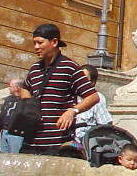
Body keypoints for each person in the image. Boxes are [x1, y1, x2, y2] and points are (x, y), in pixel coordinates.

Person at [20, 24, 100, 155]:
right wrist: (27, 106)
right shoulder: (34, 69)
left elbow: (93, 97)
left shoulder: (70, 67)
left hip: (58, 143)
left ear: (54, 42)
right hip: (30, 141)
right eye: (34, 43)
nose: (36, 47)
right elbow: (25, 88)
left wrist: (72, 111)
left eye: (40, 43)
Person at [74, 64, 113, 149]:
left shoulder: (97, 98)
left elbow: (105, 124)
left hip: (85, 143)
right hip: (69, 140)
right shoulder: (70, 96)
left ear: (92, 83)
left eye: (84, 80)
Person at [0, 78, 25, 154]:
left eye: (10, 86)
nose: (9, 88)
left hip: (16, 134)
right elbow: (1, 113)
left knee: (15, 157)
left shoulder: (25, 100)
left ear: (17, 88)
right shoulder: (8, 99)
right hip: (4, 131)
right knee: (4, 157)